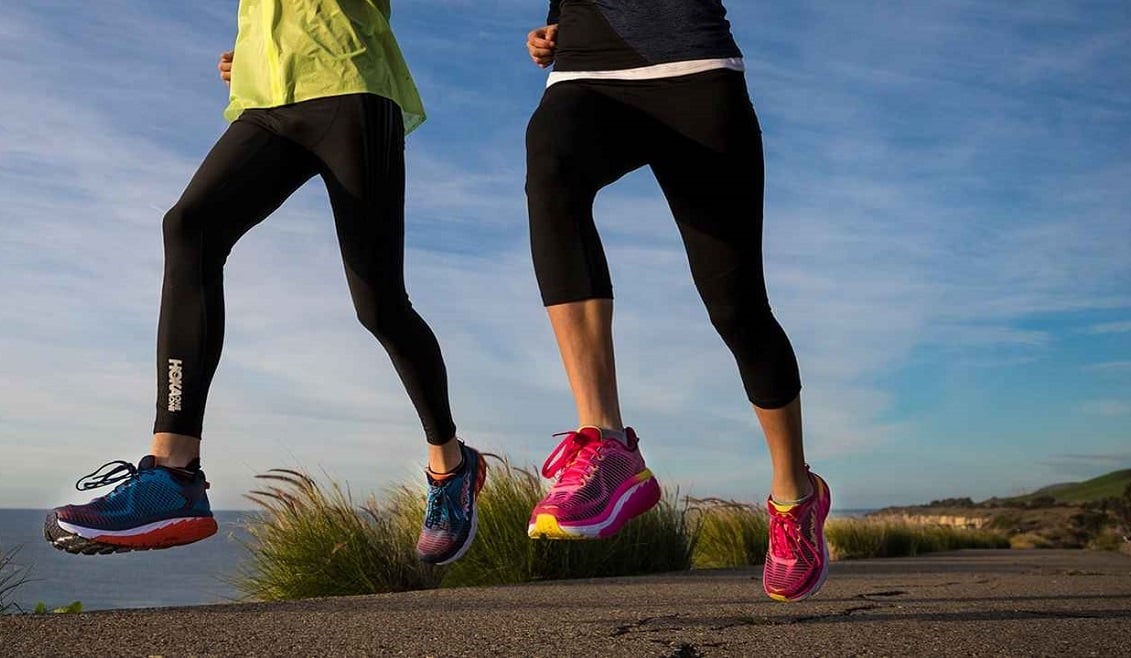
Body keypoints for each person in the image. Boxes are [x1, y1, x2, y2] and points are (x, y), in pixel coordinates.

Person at [44, 0, 485, 566]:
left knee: (378, 302)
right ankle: (172, 474)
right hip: (266, 102)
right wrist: (255, 53)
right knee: (188, 227)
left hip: (349, 85)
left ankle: (451, 466)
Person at [522, 1, 831, 601]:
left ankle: (795, 494)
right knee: (551, 168)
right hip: (587, 75)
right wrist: (554, 25)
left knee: (736, 306)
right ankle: (605, 442)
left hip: (697, 71)